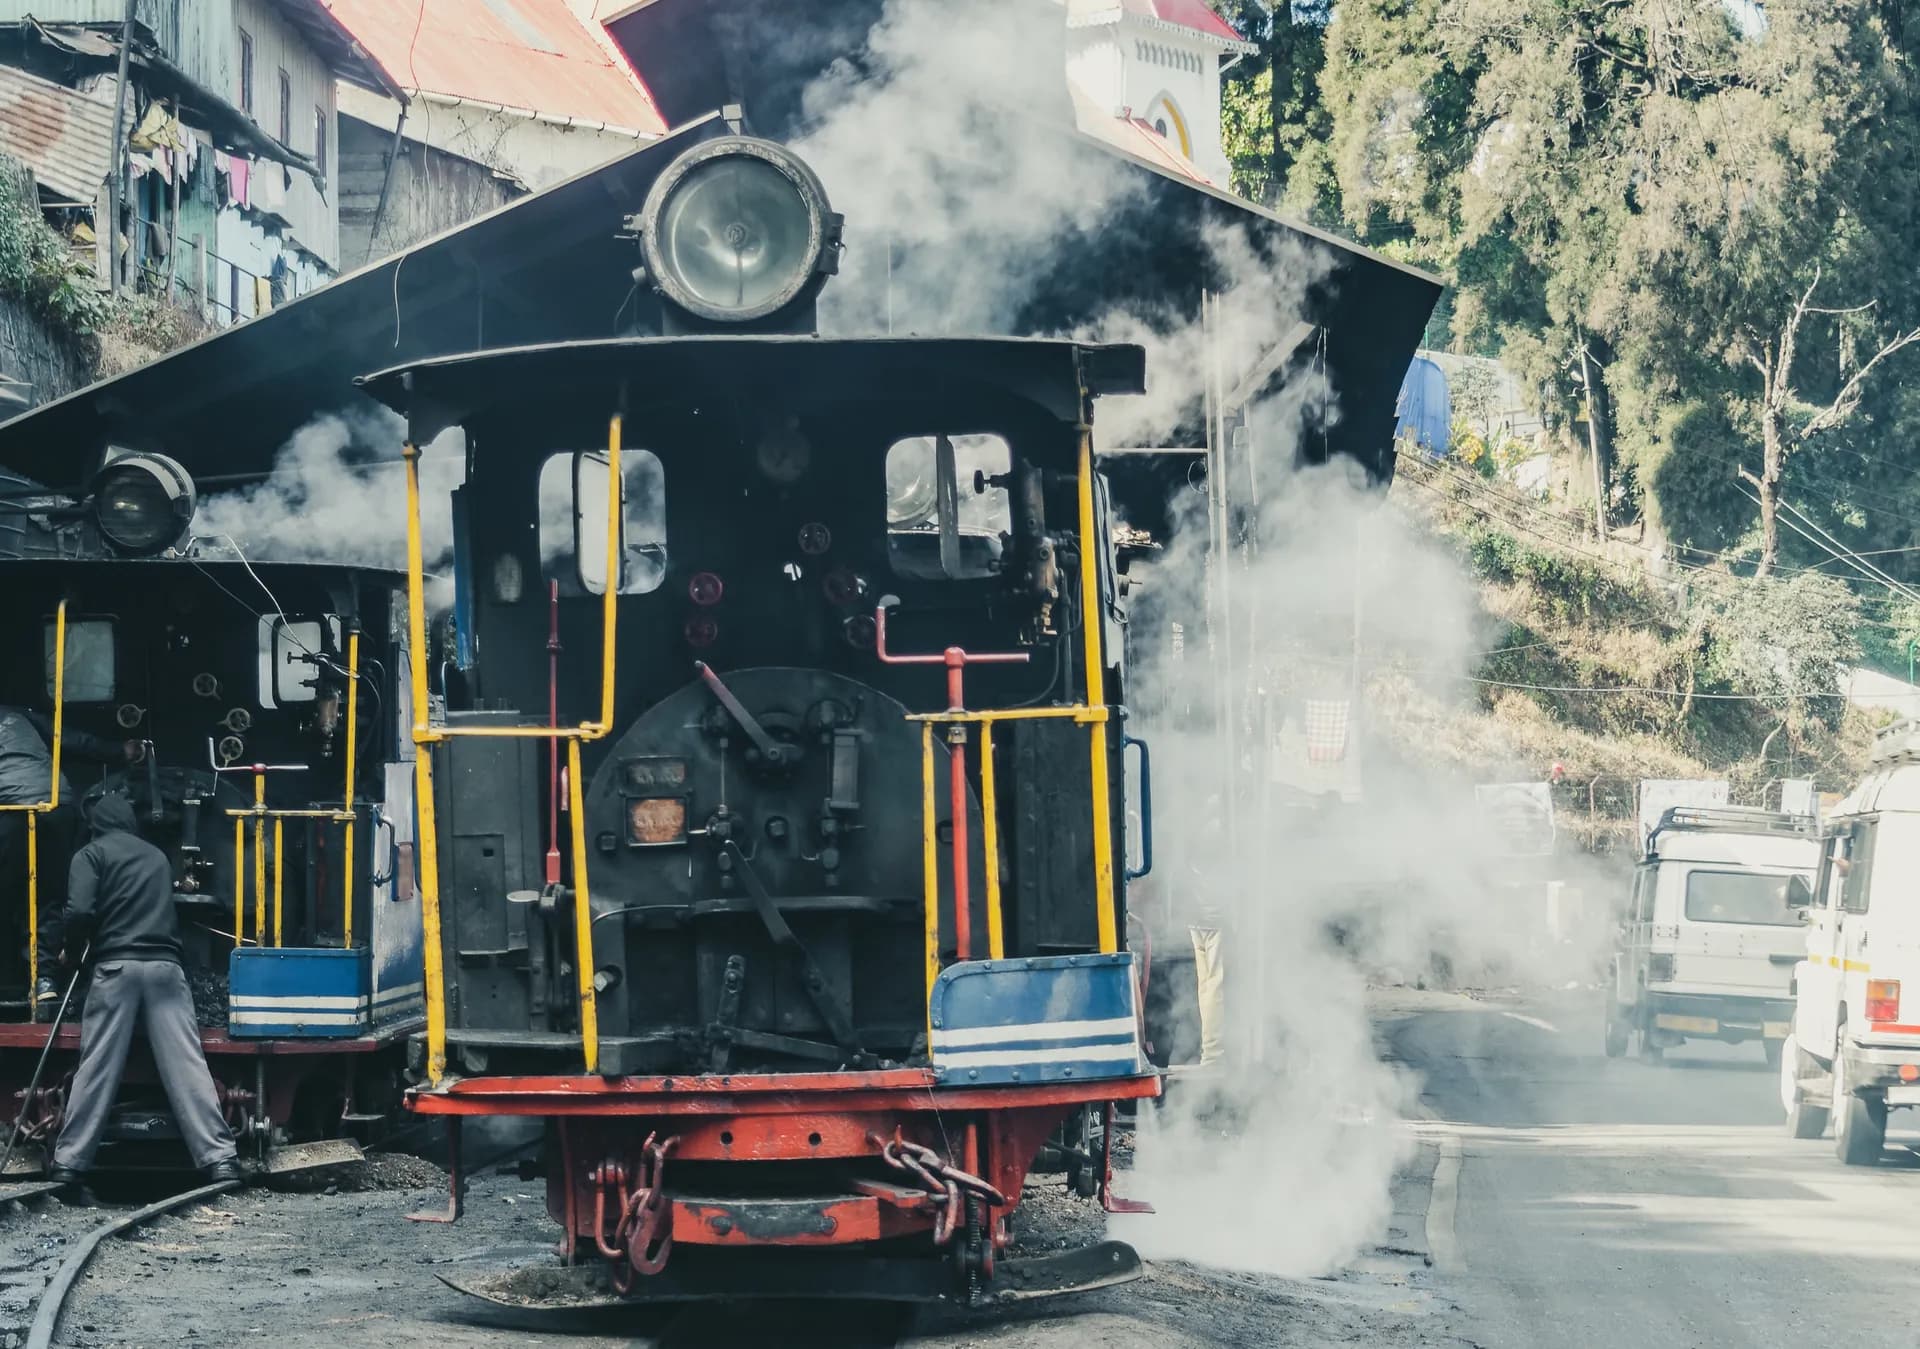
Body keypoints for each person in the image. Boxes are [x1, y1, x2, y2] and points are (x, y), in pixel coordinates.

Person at [45, 792, 241, 1187]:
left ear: (95, 825)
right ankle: (220, 1159)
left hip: (117, 968)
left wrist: (71, 950)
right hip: (166, 969)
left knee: (98, 1064)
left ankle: (69, 1162)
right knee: (187, 1063)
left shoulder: (90, 855)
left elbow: (80, 911)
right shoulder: (156, 857)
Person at [0, 707, 141, 1006]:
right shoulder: (19, 714)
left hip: (8, 806)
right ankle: (44, 979)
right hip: (55, 803)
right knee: (47, 895)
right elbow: (68, 738)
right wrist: (120, 751)